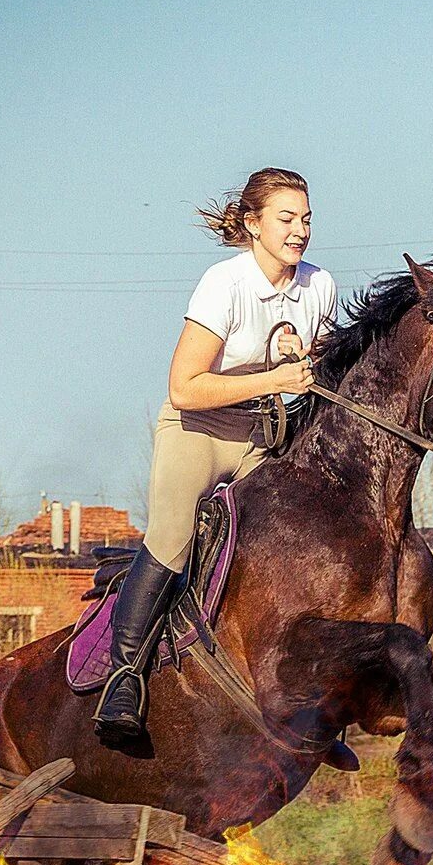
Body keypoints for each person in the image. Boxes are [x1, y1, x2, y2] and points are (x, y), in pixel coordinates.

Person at [95, 167, 337, 740]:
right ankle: (122, 678)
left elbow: (315, 368)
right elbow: (185, 386)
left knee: (290, 545)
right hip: (197, 431)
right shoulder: (223, 283)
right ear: (253, 224)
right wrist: (272, 376)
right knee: (174, 536)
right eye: (287, 219)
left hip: (262, 436)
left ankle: (302, 700)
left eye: (306, 220)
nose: (300, 230)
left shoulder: (319, 284)